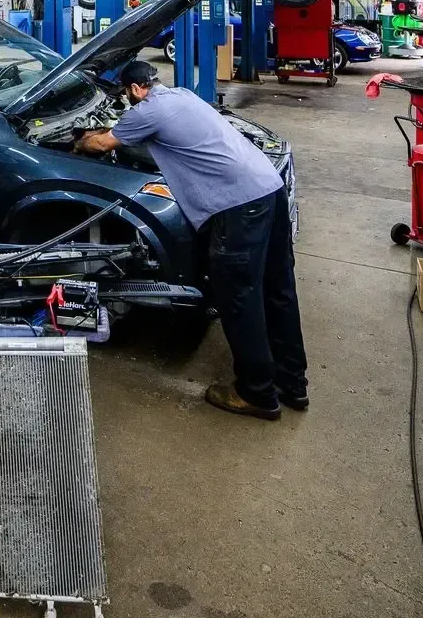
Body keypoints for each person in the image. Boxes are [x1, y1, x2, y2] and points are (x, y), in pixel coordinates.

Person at [75, 60, 307, 420]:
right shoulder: (181, 95)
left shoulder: (146, 110)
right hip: (268, 188)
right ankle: (293, 384)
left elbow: (102, 144)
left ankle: (257, 393)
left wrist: (80, 141)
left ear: (135, 89)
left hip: (238, 206)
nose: (127, 98)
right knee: (277, 288)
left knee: (239, 298)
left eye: (126, 93)